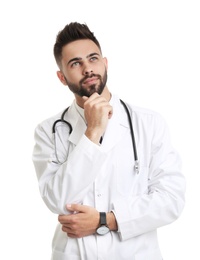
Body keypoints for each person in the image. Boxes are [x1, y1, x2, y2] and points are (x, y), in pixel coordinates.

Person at [32, 22, 186, 260]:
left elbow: (171, 201)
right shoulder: (49, 131)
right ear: (62, 77)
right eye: (75, 63)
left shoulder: (149, 123)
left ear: (105, 63)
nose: (87, 69)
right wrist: (92, 131)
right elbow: (58, 201)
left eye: (93, 59)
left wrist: (106, 221)